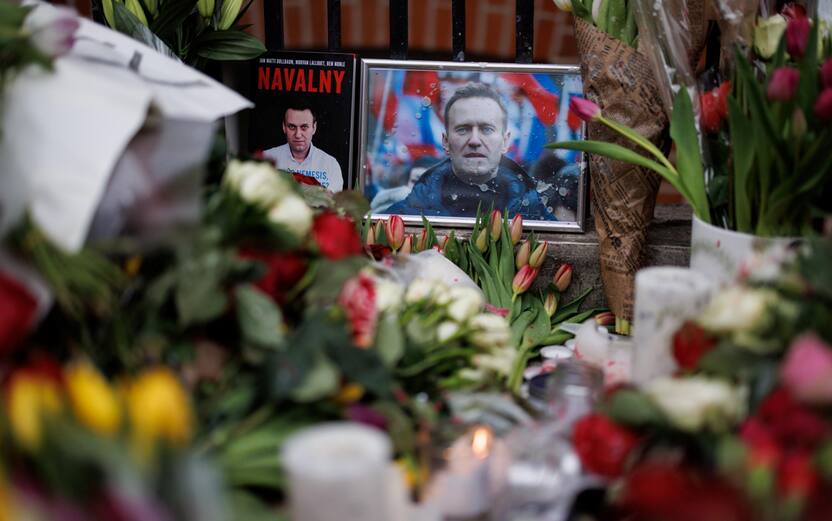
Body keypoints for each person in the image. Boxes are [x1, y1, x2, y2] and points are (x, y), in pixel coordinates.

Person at [386, 83, 552, 220]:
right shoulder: (402, 216)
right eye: (463, 129)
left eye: (486, 129)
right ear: (446, 141)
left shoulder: (536, 215)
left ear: (505, 141)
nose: (474, 140)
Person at [262, 104, 343, 191]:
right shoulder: (266, 159)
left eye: (304, 127)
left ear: (314, 128)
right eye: (292, 127)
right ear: (284, 127)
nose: (298, 134)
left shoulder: (330, 165)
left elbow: (333, 203)